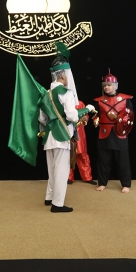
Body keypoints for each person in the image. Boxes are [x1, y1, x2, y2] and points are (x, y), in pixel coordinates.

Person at [38, 53, 91, 213]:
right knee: (61, 171)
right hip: (62, 136)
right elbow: (72, 116)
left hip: (49, 136)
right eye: (67, 75)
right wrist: (86, 109)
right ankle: (57, 204)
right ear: (62, 75)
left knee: (52, 170)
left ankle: (49, 197)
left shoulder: (46, 94)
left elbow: (42, 118)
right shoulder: (66, 93)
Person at [91, 70, 133, 193]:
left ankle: (126, 184)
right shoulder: (99, 100)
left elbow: (130, 116)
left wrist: (121, 120)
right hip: (104, 132)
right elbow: (95, 114)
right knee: (103, 160)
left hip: (119, 133)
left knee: (123, 161)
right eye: (104, 85)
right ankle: (102, 183)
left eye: (109, 85)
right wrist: (95, 119)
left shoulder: (125, 99)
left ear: (115, 86)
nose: (106, 87)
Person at [67, 100, 97, 186]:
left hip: (79, 131)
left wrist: (85, 118)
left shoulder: (80, 103)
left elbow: (86, 116)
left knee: (82, 154)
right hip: (67, 131)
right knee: (69, 154)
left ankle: (87, 177)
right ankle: (69, 177)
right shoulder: (64, 102)